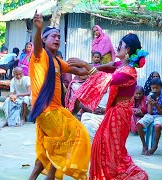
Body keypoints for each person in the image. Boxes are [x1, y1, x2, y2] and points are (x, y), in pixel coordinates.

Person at [69, 33, 148, 179]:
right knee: (102, 146)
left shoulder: (129, 73)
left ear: (127, 50)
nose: (117, 47)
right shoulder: (119, 66)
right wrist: (73, 67)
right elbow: (99, 69)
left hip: (120, 116)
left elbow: (106, 79)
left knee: (114, 151)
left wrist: (85, 64)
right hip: (113, 112)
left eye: (120, 44)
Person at [28, 12, 91, 180]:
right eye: (53, 36)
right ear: (44, 39)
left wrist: (93, 66)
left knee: (53, 147)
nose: (57, 39)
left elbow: (80, 71)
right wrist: (39, 28)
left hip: (57, 110)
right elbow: (36, 45)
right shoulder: (39, 56)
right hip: (46, 110)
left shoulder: (57, 61)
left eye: (59, 37)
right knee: (76, 135)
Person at [137, 78, 162, 155]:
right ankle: (144, 145)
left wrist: (156, 105)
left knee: (157, 126)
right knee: (139, 124)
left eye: (157, 88)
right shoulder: (149, 96)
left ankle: (155, 146)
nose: (155, 90)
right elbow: (149, 112)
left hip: (160, 116)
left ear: (161, 87)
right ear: (151, 88)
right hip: (150, 115)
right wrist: (151, 104)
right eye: (153, 88)